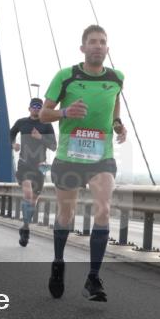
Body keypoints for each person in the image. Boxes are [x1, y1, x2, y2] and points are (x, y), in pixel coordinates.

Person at [39, 25, 127, 302]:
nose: (98, 46)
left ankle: (93, 278)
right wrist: (65, 112)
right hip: (69, 158)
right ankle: (58, 263)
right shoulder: (66, 77)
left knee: (104, 208)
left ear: (107, 48)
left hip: (102, 157)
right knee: (66, 215)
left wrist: (117, 124)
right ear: (83, 48)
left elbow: (114, 103)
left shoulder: (116, 78)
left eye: (102, 42)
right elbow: (43, 114)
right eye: (93, 42)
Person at [10, 98, 57, 247]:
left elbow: (53, 146)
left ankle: (25, 226)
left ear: (42, 109)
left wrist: (40, 137)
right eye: (34, 106)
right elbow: (11, 134)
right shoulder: (21, 122)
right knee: (28, 194)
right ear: (29, 108)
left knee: (34, 200)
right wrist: (13, 144)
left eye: (39, 106)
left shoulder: (47, 125)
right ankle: (26, 230)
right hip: (24, 164)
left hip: (40, 167)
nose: (36, 108)